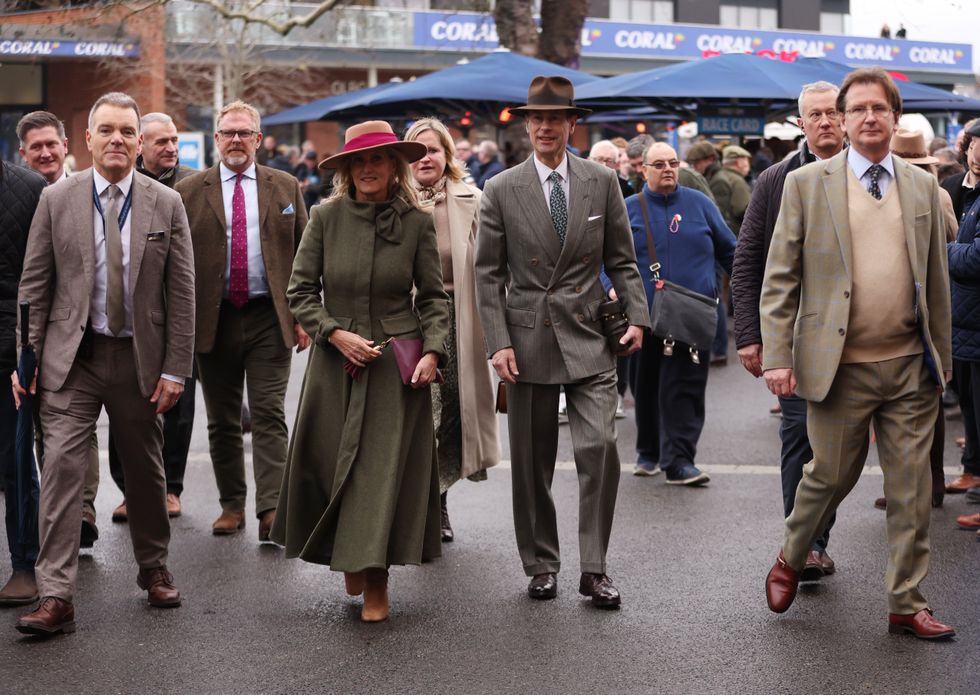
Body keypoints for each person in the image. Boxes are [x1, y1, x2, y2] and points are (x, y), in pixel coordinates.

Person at [761, 68, 955, 640]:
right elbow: (780, 280)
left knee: (912, 489)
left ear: (895, 118)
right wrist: (777, 355)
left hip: (909, 367)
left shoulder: (924, 186)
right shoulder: (806, 184)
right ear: (842, 121)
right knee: (827, 477)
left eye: (881, 108)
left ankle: (905, 601)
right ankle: (792, 555)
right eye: (858, 109)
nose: (870, 118)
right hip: (838, 366)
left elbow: (936, 281)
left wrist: (940, 360)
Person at [13, 92, 196, 636]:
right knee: (63, 475)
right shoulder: (58, 200)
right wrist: (26, 359)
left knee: (145, 472)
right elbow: (35, 283)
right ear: (87, 139)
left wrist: (175, 369)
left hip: (140, 360)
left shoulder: (166, 203)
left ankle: (153, 567)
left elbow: (181, 293)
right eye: (106, 130)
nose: (117, 139)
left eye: (127, 131)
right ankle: (56, 595)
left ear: (140, 143)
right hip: (72, 360)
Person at [475, 76, 648, 608]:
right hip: (526, 340)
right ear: (526, 125)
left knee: (600, 448)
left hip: (590, 333)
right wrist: (497, 341)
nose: (545, 127)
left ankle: (593, 568)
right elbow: (486, 274)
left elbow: (621, 258)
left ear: (574, 123)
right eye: (537, 119)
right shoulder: (501, 188)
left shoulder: (601, 181)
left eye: (556, 118)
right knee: (532, 463)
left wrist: (637, 315)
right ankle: (541, 564)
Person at [271, 120, 449, 622]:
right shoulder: (325, 218)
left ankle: (376, 577)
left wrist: (434, 352)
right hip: (336, 362)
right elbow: (299, 292)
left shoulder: (417, 222)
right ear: (347, 170)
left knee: (379, 472)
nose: (368, 169)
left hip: (396, 365)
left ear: (395, 166)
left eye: (378, 160)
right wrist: (334, 333)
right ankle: (347, 551)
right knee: (331, 466)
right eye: (359, 162)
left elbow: (434, 298)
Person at [175, 101, 309, 541]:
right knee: (222, 420)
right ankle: (231, 504)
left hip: (270, 317)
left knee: (270, 414)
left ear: (257, 138)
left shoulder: (285, 186)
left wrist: (305, 315)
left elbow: (308, 255)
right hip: (213, 322)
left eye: (244, 133)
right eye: (228, 133)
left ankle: (272, 509)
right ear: (216, 139)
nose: (236, 140)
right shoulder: (190, 191)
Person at [733, 81, 845, 579]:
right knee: (799, 435)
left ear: (843, 118)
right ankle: (806, 545)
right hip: (797, 333)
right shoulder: (775, 180)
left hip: (855, 334)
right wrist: (749, 335)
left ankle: (818, 534)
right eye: (814, 115)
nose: (825, 121)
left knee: (837, 446)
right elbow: (748, 260)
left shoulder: (867, 176)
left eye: (831, 113)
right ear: (800, 124)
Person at [405, 117, 499, 543]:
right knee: (423, 411)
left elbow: (494, 268)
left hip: (460, 318)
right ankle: (424, 504)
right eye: (418, 151)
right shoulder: (393, 200)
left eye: (434, 150)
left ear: (448, 156)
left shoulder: (473, 199)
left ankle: (439, 494)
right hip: (409, 322)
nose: (426, 158)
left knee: (454, 417)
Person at [621, 142, 735, 484]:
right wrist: (610, 287)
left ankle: (680, 461)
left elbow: (730, 251)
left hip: (691, 315)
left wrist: (746, 294)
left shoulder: (699, 204)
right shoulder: (628, 208)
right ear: (643, 170)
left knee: (685, 388)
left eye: (673, 162)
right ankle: (649, 451)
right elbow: (602, 257)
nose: (668, 169)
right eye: (659, 164)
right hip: (643, 318)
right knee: (645, 386)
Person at [16, 110, 101, 549]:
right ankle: (51, 512)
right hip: (30, 328)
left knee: (75, 425)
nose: (46, 152)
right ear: (22, 154)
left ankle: (81, 511)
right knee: (36, 427)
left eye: (52, 144)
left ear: (67, 145)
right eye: (36, 147)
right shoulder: (18, 196)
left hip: (80, 331)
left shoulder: (88, 191)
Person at [109, 112, 197, 524]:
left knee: (178, 407)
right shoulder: (122, 186)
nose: (171, 148)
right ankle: (128, 490)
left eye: (175, 140)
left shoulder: (194, 186)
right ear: (141, 144)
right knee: (126, 407)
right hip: (130, 317)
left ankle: (171, 489)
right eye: (161, 141)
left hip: (178, 313)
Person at [0, 159, 45, 606]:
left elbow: (43, 275)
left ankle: (24, 564)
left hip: (10, 349)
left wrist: (29, 351)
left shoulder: (31, 188)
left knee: (15, 461)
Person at [942, 120, 980, 495]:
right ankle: (972, 467)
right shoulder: (956, 189)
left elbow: (973, 257)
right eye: (974, 145)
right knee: (969, 402)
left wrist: (940, 250)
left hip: (972, 317)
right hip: (963, 319)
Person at [713, 146, 751, 237]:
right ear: (738, 163)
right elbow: (742, 209)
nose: (748, 165)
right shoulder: (737, 181)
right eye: (746, 161)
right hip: (735, 233)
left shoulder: (719, 175)